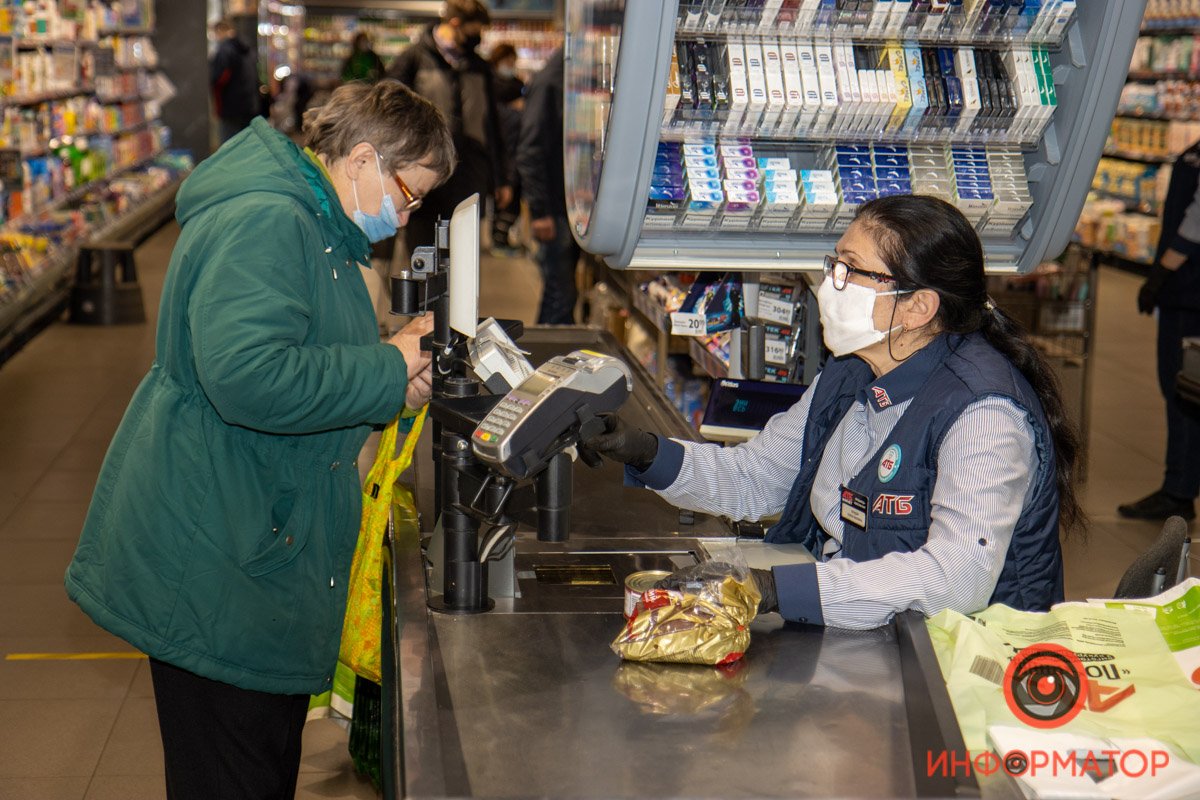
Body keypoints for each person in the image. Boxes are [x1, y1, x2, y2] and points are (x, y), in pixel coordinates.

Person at [64, 80, 456, 799]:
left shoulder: (320, 223)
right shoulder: (269, 220)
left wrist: (391, 380)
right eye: (408, 191)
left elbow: (299, 353)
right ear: (363, 158)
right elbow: (247, 375)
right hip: (217, 548)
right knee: (231, 770)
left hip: (249, 535)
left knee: (256, 765)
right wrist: (385, 362)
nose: (408, 211)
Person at [582, 195, 1082, 630]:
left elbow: (956, 578)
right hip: (871, 638)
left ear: (917, 308)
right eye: (832, 265)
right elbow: (757, 476)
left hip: (960, 674)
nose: (829, 286)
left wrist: (779, 590)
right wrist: (646, 453)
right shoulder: (852, 370)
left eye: (850, 271)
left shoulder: (984, 415)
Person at [387, 0, 512, 257]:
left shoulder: (479, 67)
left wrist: (501, 179)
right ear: (455, 24)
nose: (477, 38)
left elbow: (492, 127)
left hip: (469, 176)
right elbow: (388, 112)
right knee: (422, 255)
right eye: (473, 31)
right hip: (424, 179)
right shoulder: (414, 59)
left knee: (463, 261)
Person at [1117, 139, 1200, 522]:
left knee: (1182, 387)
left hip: (1189, 289)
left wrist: (1161, 273)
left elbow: (1196, 219)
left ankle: (1178, 490)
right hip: (1186, 287)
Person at [517, 47, 578, 324]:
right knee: (559, 294)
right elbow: (530, 150)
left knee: (562, 293)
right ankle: (548, 359)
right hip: (554, 207)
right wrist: (541, 212)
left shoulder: (564, 80)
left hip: (567, 205)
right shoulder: (550, 83)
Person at [488, 42, 524, 254]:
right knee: (503, 194)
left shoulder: (519, 85)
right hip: (501, 148)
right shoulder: (490, 85)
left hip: (515, 145)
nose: (510, 65)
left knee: (512, 196)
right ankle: (498, 238)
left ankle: (500, 237)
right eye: (507, 61)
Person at [209, 18, 260, 143]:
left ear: (220, 31)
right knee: (244, 145)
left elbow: (219, 79)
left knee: (228, 146)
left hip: (230, 107)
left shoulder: (225, 50)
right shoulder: (246, 47)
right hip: (249, 105)